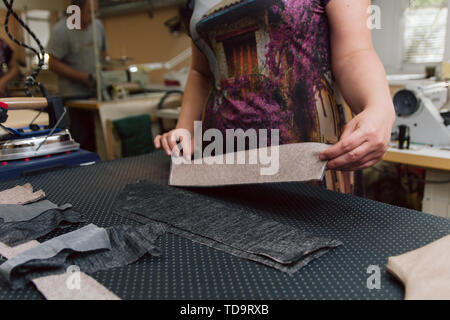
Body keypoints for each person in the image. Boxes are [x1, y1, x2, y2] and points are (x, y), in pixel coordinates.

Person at [155, 0, 395, 194]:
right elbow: (202, 72)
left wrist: (378, 105)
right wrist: (184, 129)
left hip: (306, 157)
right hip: (222, 156)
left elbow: (354, 52)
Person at [47, 0, 108, 151]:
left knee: (99, 140)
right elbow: (53, 63)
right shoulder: (61, 31)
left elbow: (103, 53)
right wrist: (82, 77)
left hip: (96, 93)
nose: (94, 17)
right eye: (90, 12)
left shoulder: (98, 27)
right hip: (73, 97)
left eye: (96, 12)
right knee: (80, 140)